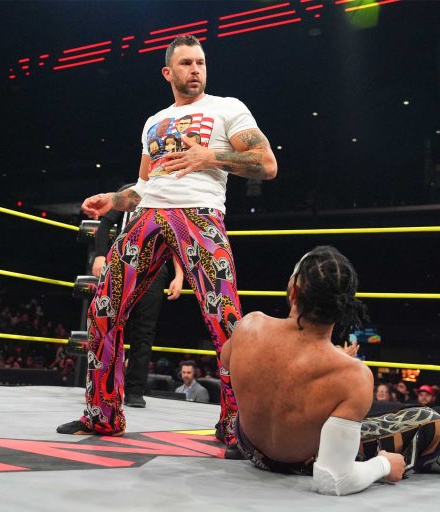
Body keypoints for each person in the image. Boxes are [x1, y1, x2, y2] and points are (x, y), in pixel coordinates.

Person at [57, 34, 277, 445]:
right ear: (168, 72)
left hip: (200, 215)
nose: (196, 70)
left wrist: (211, 156)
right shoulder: (153, 122)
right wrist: (114, 200)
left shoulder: (228, 108)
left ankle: (237, 426)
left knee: (225, 319)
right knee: (103, 308)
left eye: (200, 62)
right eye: (186, 63)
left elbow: (266, 164)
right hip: (147, 215)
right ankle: (102, 415)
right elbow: (143, 186)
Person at [221, 246, 440, 496]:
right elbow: (333, 480)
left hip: (248, 444)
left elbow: (227, 361)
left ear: (294, 292)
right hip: (302, 461)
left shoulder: (250, 326)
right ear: (344, 306)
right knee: (429, 420)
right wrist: (384, 465)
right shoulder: (352, 375)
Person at [91, 183, 184, 408]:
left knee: (144, 329)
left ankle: (134, 391)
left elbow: (175, 239)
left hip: (155, 267)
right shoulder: (130, 190)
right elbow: (105, 225)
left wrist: (179, 275)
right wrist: (100, 256)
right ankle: (105, 386)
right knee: (109, 323)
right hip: (122, 262)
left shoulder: (170, 194)